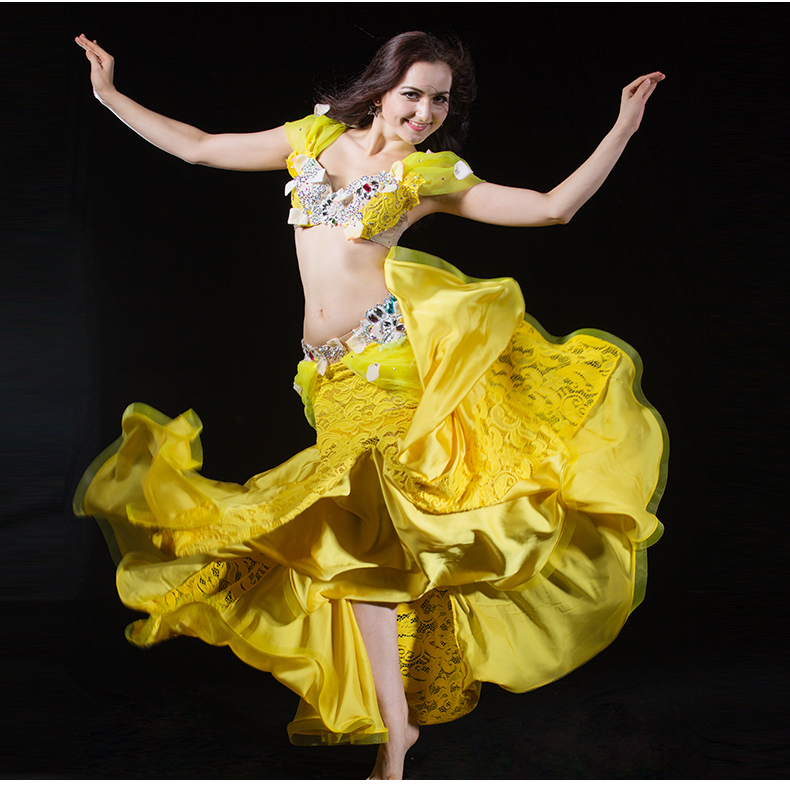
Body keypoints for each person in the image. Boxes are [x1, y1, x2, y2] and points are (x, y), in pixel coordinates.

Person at [73, 31, 667, 780]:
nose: (425, 112)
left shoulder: (428, 174)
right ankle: (399, 728)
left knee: (363, 523)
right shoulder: (313, 138)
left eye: (440, 100)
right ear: (382, 88)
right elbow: (200, 147)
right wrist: (110, 95)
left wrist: (622, 128)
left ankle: (393, 742)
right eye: (413, 94)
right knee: (360, 544)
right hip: (327, 380)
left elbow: (551, 209)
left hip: (392, 370)